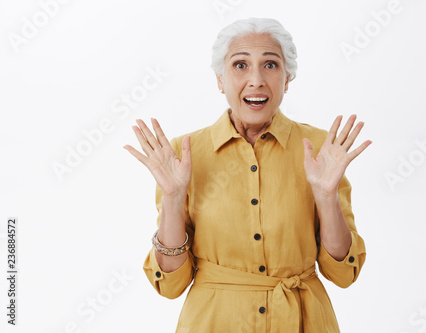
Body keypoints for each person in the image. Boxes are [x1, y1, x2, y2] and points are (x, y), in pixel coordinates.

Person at [124, 17, 371, 333]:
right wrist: (173, 197)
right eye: (240, 65)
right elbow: (171, 285)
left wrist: (325, 196)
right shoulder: (183, 154)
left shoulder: (322, 149)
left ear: (287, 77)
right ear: (220, 80)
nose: (256, 79)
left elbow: (343, 275)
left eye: (270, 65)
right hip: (214, 322)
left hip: (304, 321)